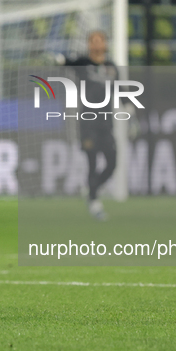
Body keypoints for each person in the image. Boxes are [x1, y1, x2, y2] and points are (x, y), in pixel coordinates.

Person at [64, 31, 118, 221]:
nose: (96, 45)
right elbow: (66, 62)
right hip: (88, 123)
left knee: (112, 163)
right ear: (88, 45)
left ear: (105, 44)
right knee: (92, 163)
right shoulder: (83, 64)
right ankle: (94, 202)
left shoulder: (111, 67)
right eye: (92, 42)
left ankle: (92, 189)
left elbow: (123, 91)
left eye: (99, 41)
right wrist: (56, 58)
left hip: (106, 123)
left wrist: (132, 114)